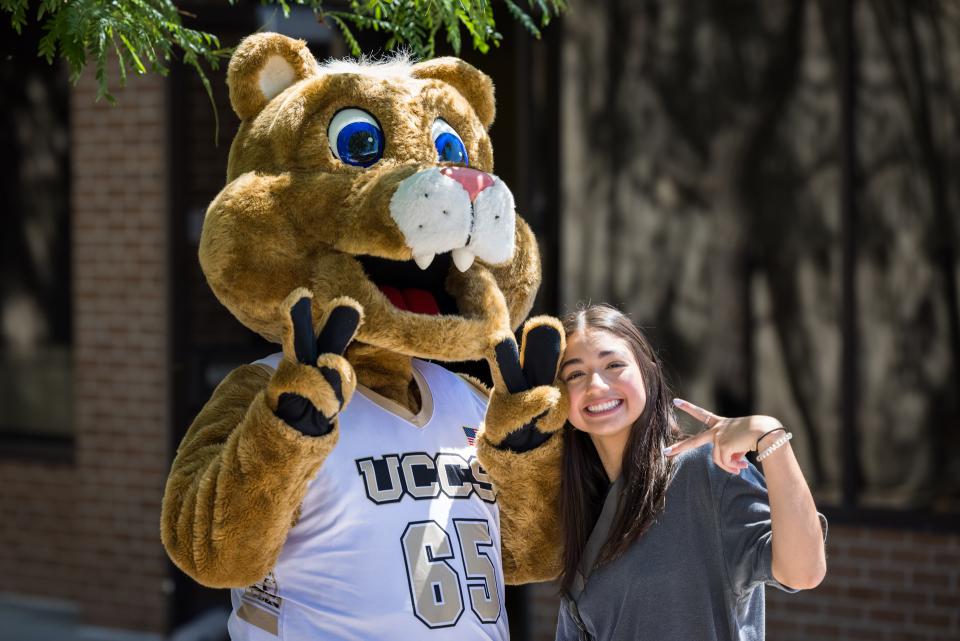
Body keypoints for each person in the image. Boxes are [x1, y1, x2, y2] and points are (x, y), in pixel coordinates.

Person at [554, 304, 826, 641]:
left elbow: (803, 571)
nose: (596, 384)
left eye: (614, 365)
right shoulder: (581, 510)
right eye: (575, 374)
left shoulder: (704, 472)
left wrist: (769, 436)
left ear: (648, 373)